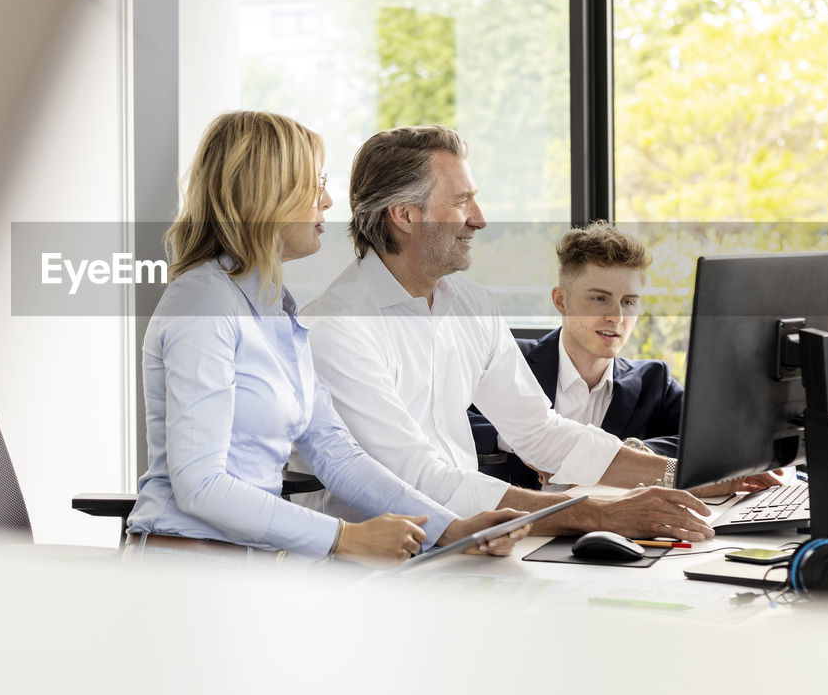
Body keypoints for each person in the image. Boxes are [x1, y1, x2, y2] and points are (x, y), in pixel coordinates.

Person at [298, 125, 776, 543]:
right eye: (462, 201)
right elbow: (417, 479)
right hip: (373, 565)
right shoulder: (338, 328)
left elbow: (539, 432)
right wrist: (594, 515)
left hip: (467, 542)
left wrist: (683, 476)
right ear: (404, 216)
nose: (479, 218)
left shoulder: (471, 305)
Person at [124, 111, 527, 568]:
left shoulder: (277, 310)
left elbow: (336, 453)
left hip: (250, 567)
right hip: (182, 568)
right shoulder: (201, 302)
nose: (329, 201)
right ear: (267, 192)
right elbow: (200, 485)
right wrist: (345, 538)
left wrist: (448, 529)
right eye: (314, 184)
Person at [469, 222, 681, 489]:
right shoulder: (509, 360)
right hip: (519, 526)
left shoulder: (654, 383)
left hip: (616, 529)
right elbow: (443, 419)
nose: (616, 317)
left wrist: (629, 454)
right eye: (599, 299)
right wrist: (526, 439)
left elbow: (711, 443)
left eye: (628, 302)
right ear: (561, 301)